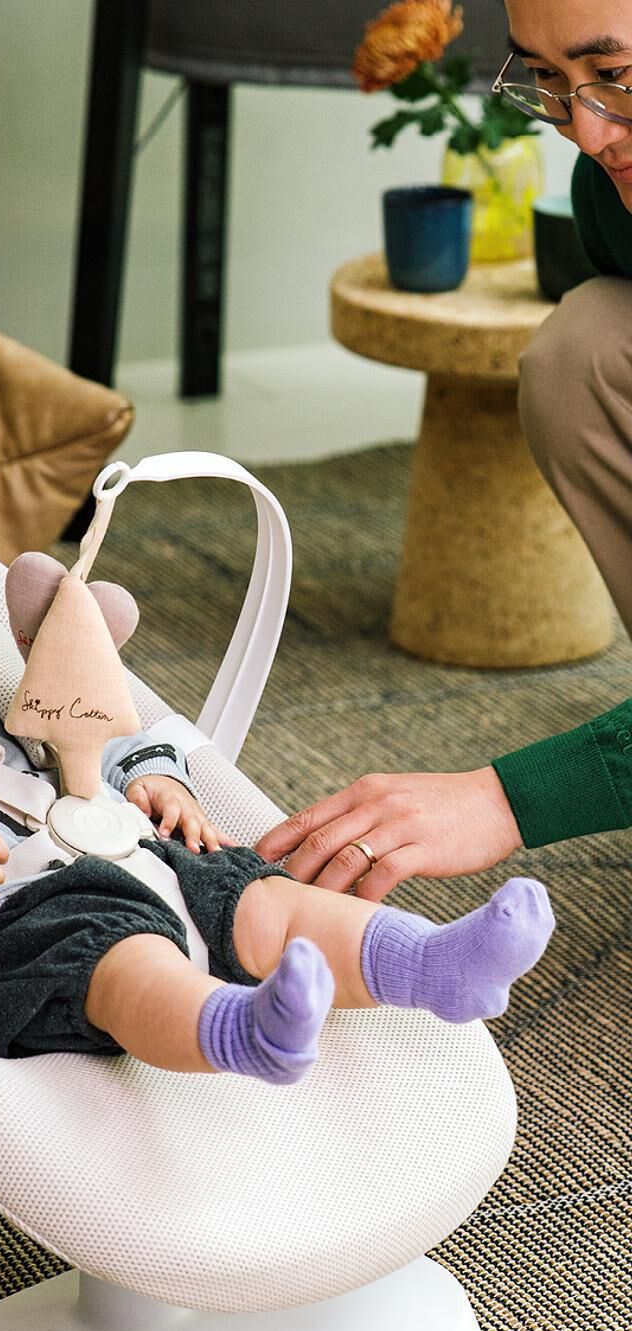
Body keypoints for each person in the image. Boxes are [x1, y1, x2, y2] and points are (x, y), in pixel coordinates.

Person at [0, 499, 554, 1083]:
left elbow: (93, 714)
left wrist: (154, 777)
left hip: (131, 853)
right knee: (113, 955)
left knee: (256, 893)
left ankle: (434, 964)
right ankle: (238, 1033)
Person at [256, 0, 632, 898]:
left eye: (615, 75)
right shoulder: (609, 192)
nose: (584, 129)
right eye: (546, 79)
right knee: (586, 348)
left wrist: (510, 799)